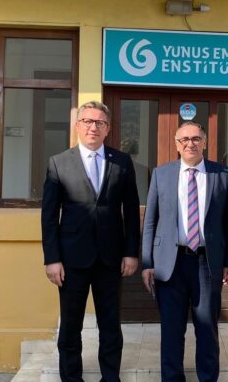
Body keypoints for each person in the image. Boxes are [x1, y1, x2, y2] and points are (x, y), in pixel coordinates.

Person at [41, 101, 140, 382]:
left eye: (99, 122)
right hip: (71, 260)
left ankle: (110, 378)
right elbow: (49, 216)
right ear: (77, 126)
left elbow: (132, 211)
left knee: (110, 326)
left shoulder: (122, 161)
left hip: (111, 259)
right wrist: (52, 258)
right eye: (87, 121)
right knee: (70, 327)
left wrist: (131, 252)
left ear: (108, 128)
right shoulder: (58, 163)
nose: (92, 127)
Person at [141, 121, 228, 382]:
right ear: (176, 144)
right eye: (184, 139)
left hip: (207, 264)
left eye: (196, 139)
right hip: (170, 265)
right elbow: (150, 221)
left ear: (204, 142)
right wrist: (147, 263)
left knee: (207, 329)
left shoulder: (222, 174)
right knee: (172, 331)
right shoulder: (161, 174)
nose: (190, 144)